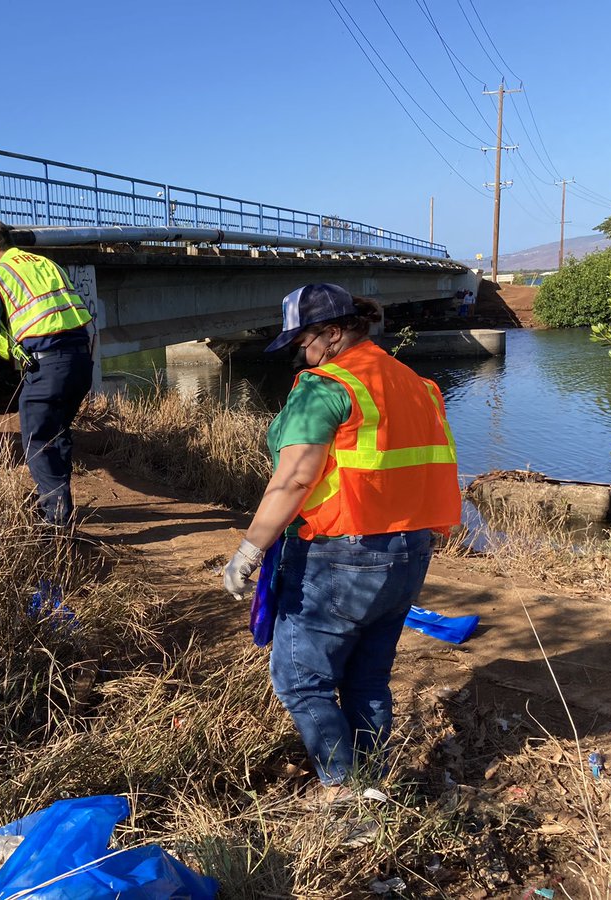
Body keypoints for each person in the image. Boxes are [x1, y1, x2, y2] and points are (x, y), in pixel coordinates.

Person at [223, 283, 460, 797]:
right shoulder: (417, 384)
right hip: (409, 552)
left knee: (300, 681)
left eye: (303, 342)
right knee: (366, 678)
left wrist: (249, 549)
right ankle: (371, 780)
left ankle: (343, 790)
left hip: (342, 554)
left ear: (332, 333)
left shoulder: (326, 387)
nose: (300, 354)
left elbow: (294, 479)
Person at [0, 218, 94, 528]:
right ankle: (57, 505)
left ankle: (56, 522)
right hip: (80, 362)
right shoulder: (46, 264)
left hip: (48, 367)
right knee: (58, 434)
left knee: (38, 441)